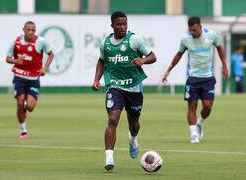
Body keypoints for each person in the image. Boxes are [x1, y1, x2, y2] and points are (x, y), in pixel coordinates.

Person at [92, 11, 157, 171]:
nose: (122, 27)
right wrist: (96, 79)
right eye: (119, 24)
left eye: (124, 24)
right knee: (113, 119)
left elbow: (153, 56)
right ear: (112, 25)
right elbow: (101, 61)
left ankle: (133, 139)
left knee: (134, 123)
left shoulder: (135, 40)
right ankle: (109, 158)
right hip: (115, 87)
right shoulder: (105, 43)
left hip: (134, 88)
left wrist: (143, 60)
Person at [162, 16, 228, 144]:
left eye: (194, 30)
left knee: (208, 106)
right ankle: (193, 134)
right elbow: (178, 55)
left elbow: (219, 48)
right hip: (192, 78)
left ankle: (200, 123)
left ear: (200, 27)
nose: (192, 33)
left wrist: (225, 66)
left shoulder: (212, 35)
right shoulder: (185, 39)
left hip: (208, 77)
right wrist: (168, 70)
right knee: (192, 106)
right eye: (190, 30)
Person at [6, 21, 54, 140]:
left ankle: (25, 109)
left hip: (33, 78)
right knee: (20, 103)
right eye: (28, 30)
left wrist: (45, 68)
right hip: (19, 77)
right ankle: (23, 130)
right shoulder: (16, 42)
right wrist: (15, 61)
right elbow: (7, 58)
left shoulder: (40, 41)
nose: (31, 32)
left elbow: (51, 54)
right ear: (23, 29)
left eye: (33, 30)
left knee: (30, 107)